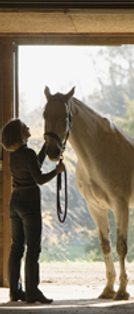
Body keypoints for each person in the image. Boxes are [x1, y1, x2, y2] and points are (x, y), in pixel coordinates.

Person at [1, 118, 65, 303]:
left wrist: (45, 148)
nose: (28, 127)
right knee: (33, 248)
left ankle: (15, 291)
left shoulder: (15, 154)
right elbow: (39, 178)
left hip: (15, 202)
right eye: (24, 127)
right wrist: (57, 171)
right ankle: (32, 291)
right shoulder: (27, 153)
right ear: (19, 134)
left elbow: (34, 164)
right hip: (29, 202)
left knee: (16, 247)